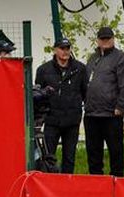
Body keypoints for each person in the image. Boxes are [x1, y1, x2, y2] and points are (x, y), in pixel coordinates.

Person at [84, 27, 124, 177]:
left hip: (111, 114)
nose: (105, 41)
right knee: (93, 154)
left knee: (115, 152)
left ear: (113, 39)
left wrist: (120, 107)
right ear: (97, 40)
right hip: (91, 114)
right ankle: (96, 184)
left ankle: (117, 184)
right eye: (102, 39)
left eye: (108, 38)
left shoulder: (122, 58)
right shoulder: (92, 58)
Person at [35, 38, 87, 174]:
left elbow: (85, 92)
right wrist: (40, 119)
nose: (65, 52)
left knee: (69, 157)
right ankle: (48, 185)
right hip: (52, 120)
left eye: (67, 48)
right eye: (62, 48)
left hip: (72, 121)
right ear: (55, 50)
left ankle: (67, 186)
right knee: (48, 156)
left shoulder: (79, 69)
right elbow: (38, 95)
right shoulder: (43, 70)